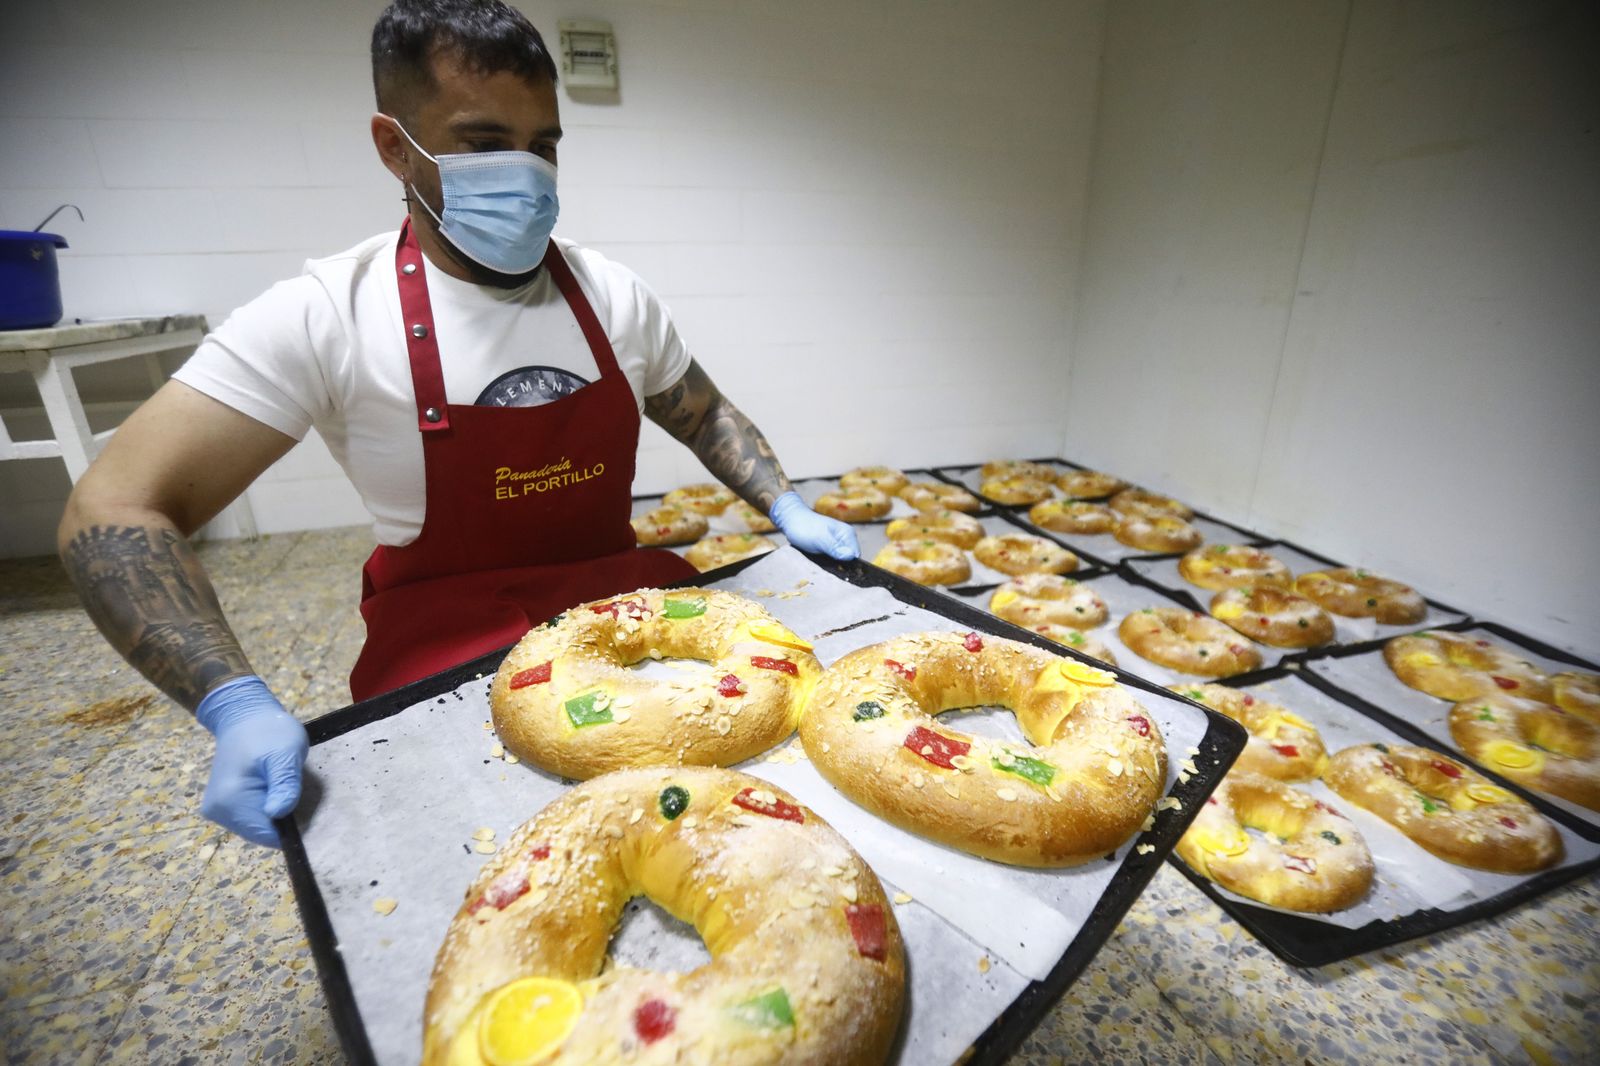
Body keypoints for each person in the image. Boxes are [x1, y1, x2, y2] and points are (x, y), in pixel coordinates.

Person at [56, 0, 858, 849]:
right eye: (483, 144)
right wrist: (232, 700)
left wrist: (785, 505)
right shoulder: (325, 314)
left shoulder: (614, 297)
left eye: (543, 144)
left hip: (624, 608)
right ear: (395, 146)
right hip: (443, 638)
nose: (526, 171)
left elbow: (702, 412)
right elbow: (114, 509)